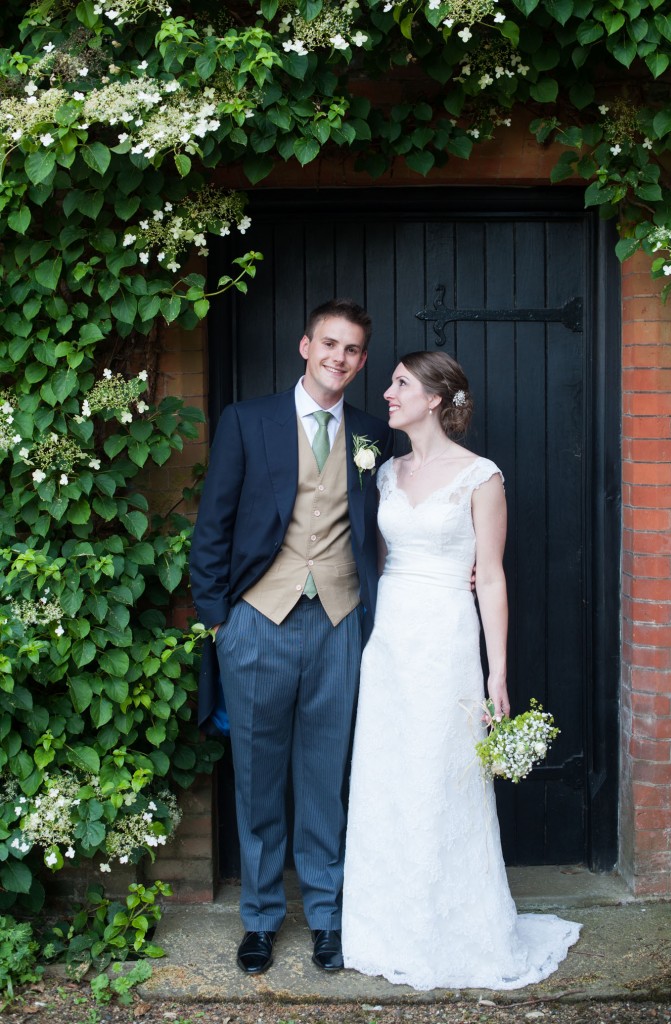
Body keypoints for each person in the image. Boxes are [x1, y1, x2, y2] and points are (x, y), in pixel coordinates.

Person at [341, 350, 581, 991]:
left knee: (443, 775)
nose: (387, 393)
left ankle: (453, 927)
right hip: (390, 639)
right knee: (389, 776)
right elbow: (381, 560)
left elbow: (492, 575)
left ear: (436, 399)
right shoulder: (385, 474)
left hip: (447, 639)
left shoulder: (481, 477)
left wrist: (497, 674)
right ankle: (382, 927)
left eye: (400, 384)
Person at [189, 299, 393, 976]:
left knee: (325, 779)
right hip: (257, 622)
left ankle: (328, 918)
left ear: (362, 362)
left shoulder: (371, 433)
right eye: (329, 343)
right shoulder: (248, 421)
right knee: (257, 780)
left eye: (353, 350)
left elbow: (387, 525)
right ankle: (261, 919)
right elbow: (212, 524)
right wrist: (220, 621)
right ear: (305, 346)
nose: (340, 357)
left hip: (338, 622)